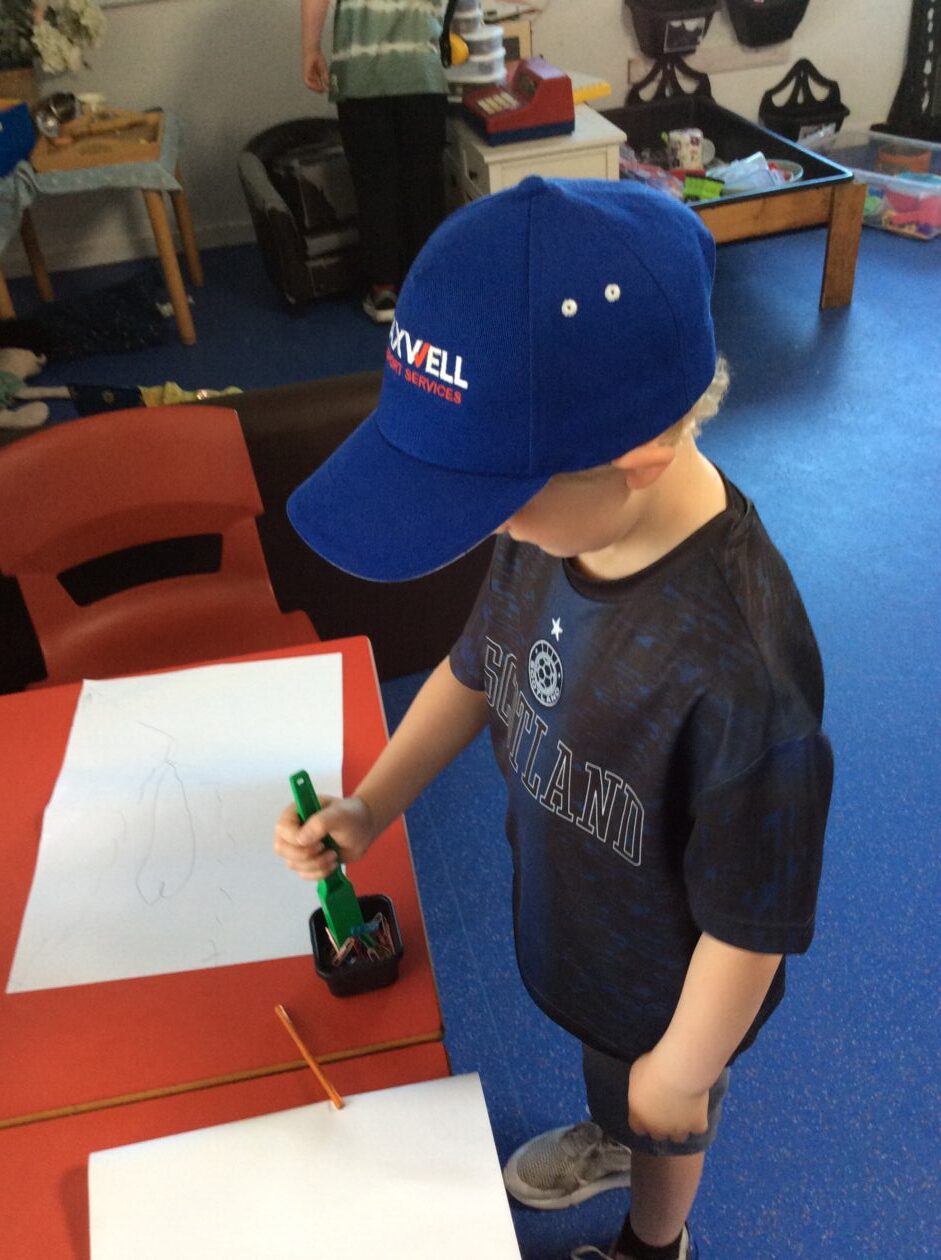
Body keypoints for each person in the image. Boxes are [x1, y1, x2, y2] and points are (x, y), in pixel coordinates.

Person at [274, 176, 833, 1260]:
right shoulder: (549, 529)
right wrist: (371, 804)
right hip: (581, 920)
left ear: (637, 459)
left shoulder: (743, 667)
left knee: (661, 1113)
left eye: (496, 496)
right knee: (611, 1073)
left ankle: (653, 1238)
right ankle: (615, 1122)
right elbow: (476, 669)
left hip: (677, 987)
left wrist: (683, 1067)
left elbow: (753, 918)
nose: (489, 526)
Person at [300, 0, 450, 324]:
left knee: (374, 185)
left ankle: (384, 289)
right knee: (422, 184)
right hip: (420, 71)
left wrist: (311, 48)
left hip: (360, 75)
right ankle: (427, 286)